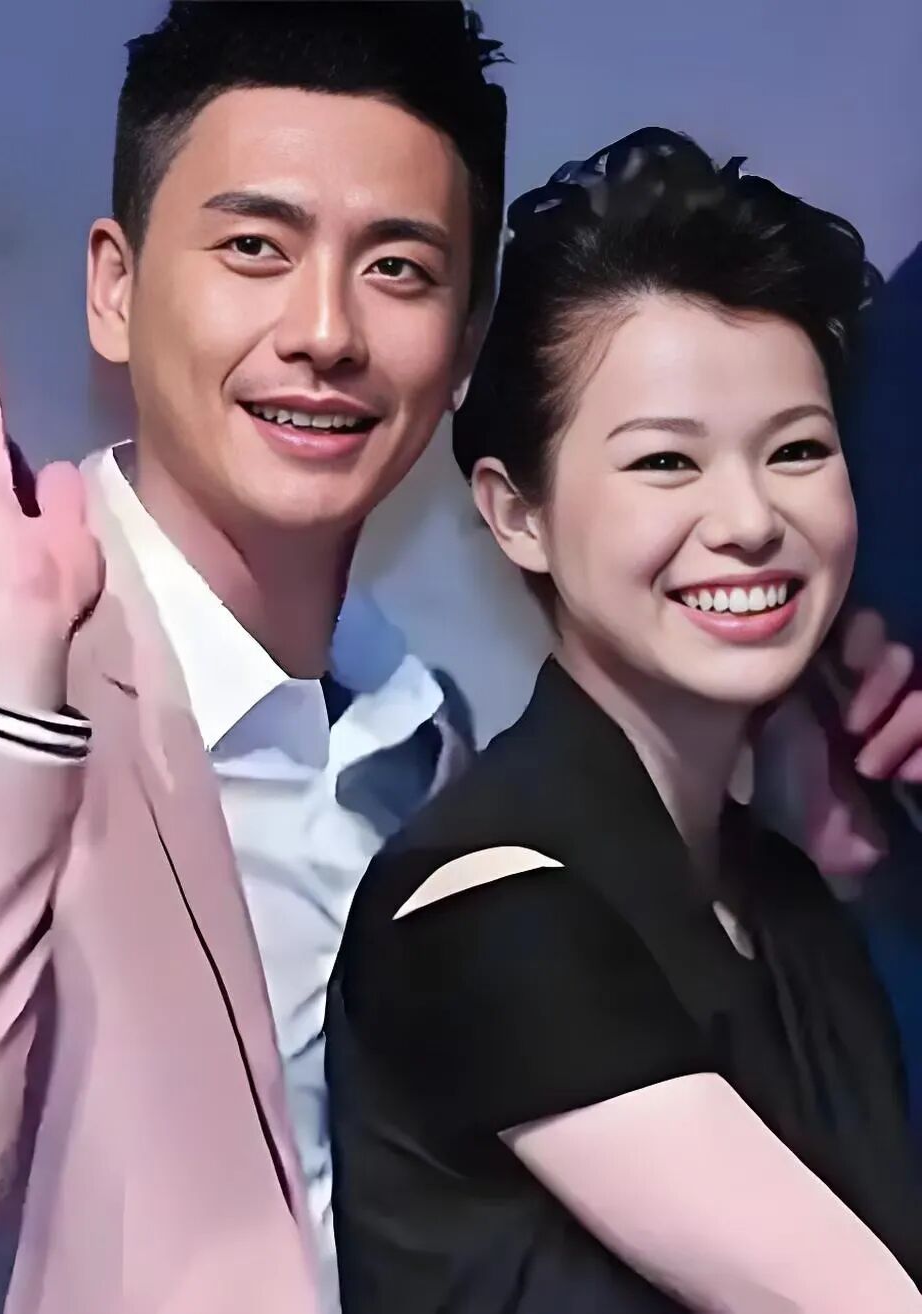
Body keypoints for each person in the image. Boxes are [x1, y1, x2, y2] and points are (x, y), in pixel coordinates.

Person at [0, 4, 505, 1312]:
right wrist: (11, 700)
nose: (325, 330)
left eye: (399, 268)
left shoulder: (431, 748)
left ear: (463, 345)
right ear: (114, 290)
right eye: (254, 248)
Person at [327, 129, 922, 1314]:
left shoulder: (788, 903)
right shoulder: (484, 911)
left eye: (796, 450)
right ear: (517, 515)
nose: (748, 519)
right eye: (666, 463)